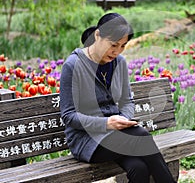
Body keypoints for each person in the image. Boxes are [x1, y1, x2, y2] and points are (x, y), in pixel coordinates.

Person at [59, 13, 176, 183]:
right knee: (141, 137)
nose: (117, 51)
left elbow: (127, 101)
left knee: (139, 168)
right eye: (113, 45)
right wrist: (107, 124)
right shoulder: (73, 65)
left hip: (117, 134)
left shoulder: (119, 62)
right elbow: (69, 116)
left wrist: (122, 120)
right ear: (97, 35)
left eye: (123, 46)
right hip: (87, 141)